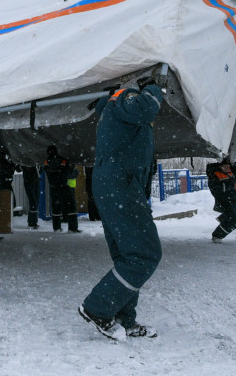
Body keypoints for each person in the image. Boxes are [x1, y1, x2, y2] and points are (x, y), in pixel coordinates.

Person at [79, 83, 163, 341]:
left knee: (128, 255)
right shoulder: (125, 98)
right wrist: (153, 89)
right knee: (145, 254)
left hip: (115, 183)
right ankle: (98, 308)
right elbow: (146, 108)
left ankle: (124, 319)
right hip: (121, 183)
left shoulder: (112, 109)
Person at [43, 145, 80, 233]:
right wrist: (75, 170)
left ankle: (56, 227)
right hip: (64, 187)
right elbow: (71, 173)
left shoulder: (46, 162)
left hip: (53, 188)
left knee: (56, 207)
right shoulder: (63, 161)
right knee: (71, 206)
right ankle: (72, 228)